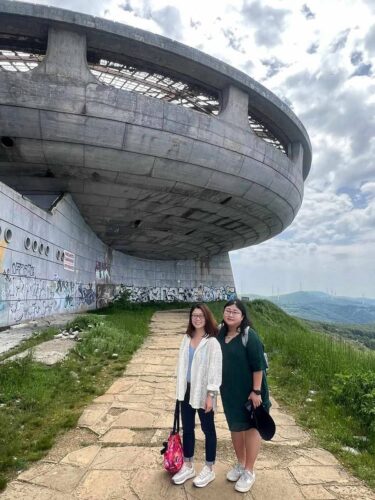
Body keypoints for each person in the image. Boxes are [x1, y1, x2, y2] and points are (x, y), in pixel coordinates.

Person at [217, 299, 270, 493]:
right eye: (228, 311)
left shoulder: (250, 336)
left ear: (242, 316)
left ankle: (249, 471)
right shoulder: (220, 333)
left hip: (251, 393)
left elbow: (259, 367)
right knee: (235, 427)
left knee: (251, 428)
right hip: (230, 392)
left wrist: (256, 391)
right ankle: (240, 464)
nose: (230, 314)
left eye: (235, 312)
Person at [172, 303, 222, 488]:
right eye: (194, 315)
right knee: (188, 428)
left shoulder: (212, 342)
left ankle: (209, 468)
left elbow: (215, 372)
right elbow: (181, 365)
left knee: (208, 429)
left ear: (207, 317)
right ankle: (188, 464)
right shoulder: (187, 338)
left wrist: (211, 395)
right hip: (185, 391)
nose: (197, 318)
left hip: (203, 391)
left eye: (201, 315)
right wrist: (178, 390)